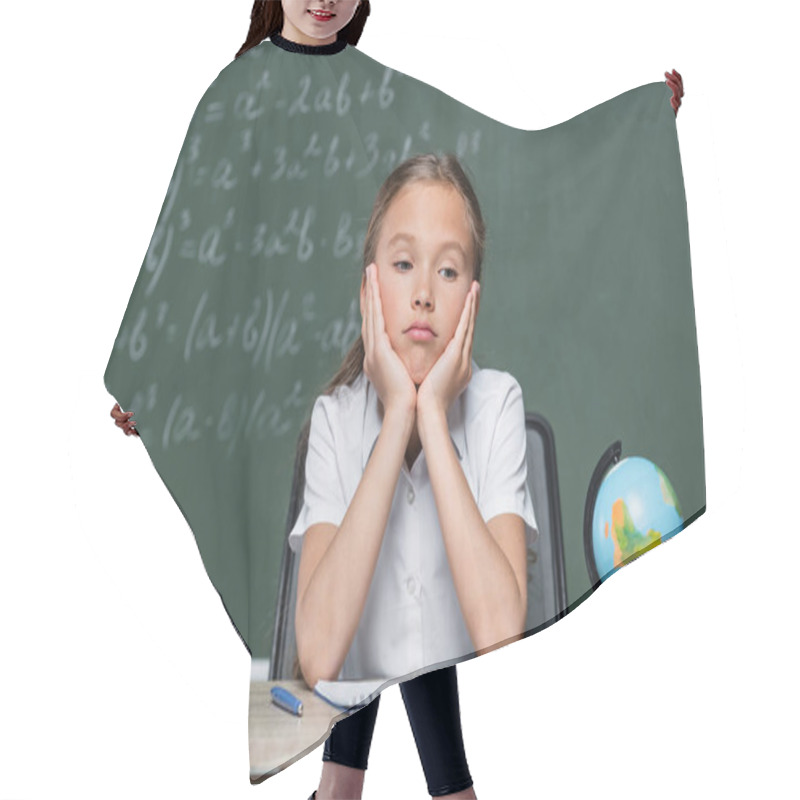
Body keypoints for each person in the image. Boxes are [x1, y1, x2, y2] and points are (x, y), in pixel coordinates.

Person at [108, 4, 685, 799]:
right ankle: (387, 786)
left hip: (385, 363)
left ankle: (357, 785)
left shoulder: (374, 93)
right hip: (287, 369)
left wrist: (634, 131)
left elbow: (510, 167)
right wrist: (156, 371)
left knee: (405, 575)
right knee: (349, 559)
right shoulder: (236, 94)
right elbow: (194, 236)